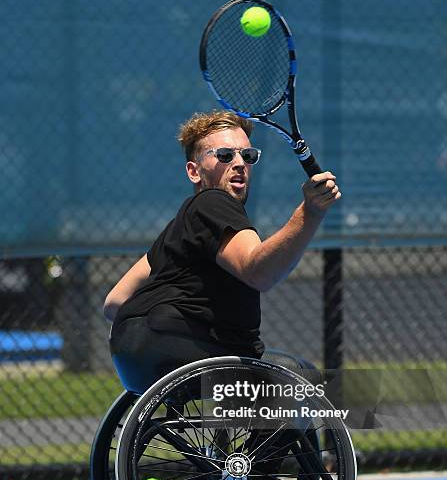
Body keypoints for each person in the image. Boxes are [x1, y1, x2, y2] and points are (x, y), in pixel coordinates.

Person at [104, 110, 340, 393]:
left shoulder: (180, 229)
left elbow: (114, 302)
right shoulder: (213, 202)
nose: (239, 163)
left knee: (302, 384)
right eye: (225, 155)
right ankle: (390, 414)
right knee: (312, 381)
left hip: (136, 358)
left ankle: (268, 437)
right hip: (179, 353)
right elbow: (259, 272)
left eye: (248, 156)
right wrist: (310, 212)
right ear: (194, 171)